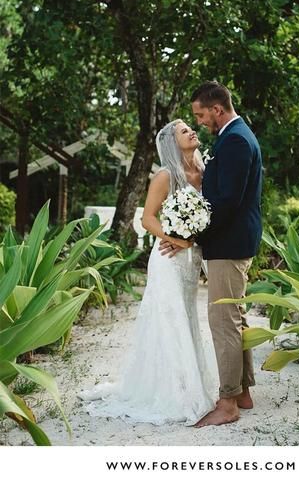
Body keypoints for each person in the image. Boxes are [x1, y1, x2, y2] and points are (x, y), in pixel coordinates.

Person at [79, 119, 217, 426]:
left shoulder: (206, 172)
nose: (192, 131)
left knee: (188, 319)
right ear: (172, 142)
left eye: (189, 128)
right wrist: (176, 238)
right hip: (169, 259)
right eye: (184, 131)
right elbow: (147, 219)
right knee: (170, 322)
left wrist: (192, 239)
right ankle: (175, 393)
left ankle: (186, 383)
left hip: (192, 259)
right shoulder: (165, 175)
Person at [162, 81, 263, 427]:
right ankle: (243, 391)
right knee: (235, 317)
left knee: (224, 322)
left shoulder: (235, 140)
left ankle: (228, 401)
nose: (200, 122)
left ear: (217, 110)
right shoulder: (234, 135)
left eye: (201, 115)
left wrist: (190, 237)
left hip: (231, 243)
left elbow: (226, 203)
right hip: (233, 241)